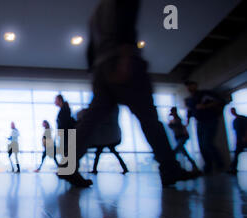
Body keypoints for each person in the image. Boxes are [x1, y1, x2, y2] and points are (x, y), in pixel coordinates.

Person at [60, 0, 199, 187]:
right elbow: (126, 24)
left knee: (90, 122)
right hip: (123, 60)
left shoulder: (96, 14)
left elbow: (91, 50)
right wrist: (125, 58)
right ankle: (170, 168)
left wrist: (97, 75)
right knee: (149, 118)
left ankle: (67, 166)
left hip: (101, 68)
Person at [184, 80, 226, 174]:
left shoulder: (204, 94)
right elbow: (190, 111)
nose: (189, 88)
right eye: (188, 86)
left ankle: (219, 163)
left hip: (210, 120)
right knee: (202, 145)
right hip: (200, 122)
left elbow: (220, 101)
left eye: (191, 85)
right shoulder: (191, 99)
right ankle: (208, 165)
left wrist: (205, 106)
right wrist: (186, 123)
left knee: (207, 143)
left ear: (195, 85)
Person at [77, 106, 128, 174]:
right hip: (109, 137)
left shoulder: (107, 111)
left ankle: (95, 169)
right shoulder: (112, 111)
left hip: (106, 138)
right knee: (105, 153)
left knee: (99, 153)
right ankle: (124, 168)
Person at [168, 107, 199, 172]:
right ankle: (194, 165)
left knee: (176, 150)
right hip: (178, 137)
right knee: (184, 152)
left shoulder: (178, 119)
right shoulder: (173, 119)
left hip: (182, 136)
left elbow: (178, 126)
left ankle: (171, 164)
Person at [55, 94, 75, 163]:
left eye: (56, 100)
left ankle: (66, 168)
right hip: (65, 134)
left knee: (66, 151)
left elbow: (64, 123)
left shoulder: (65, 109)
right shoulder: (64, 109)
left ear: (60, 100)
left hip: (66, 134)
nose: (55, 102)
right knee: (66, 151)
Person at [228, 107, 247, 174]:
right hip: (240, 140)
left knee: (237, 153)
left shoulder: (242, 119)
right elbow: (236, 132)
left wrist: (245, 136)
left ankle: (233, 168)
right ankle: (233, 168)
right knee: (237, 153)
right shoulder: (235, 121)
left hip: (243, 140)